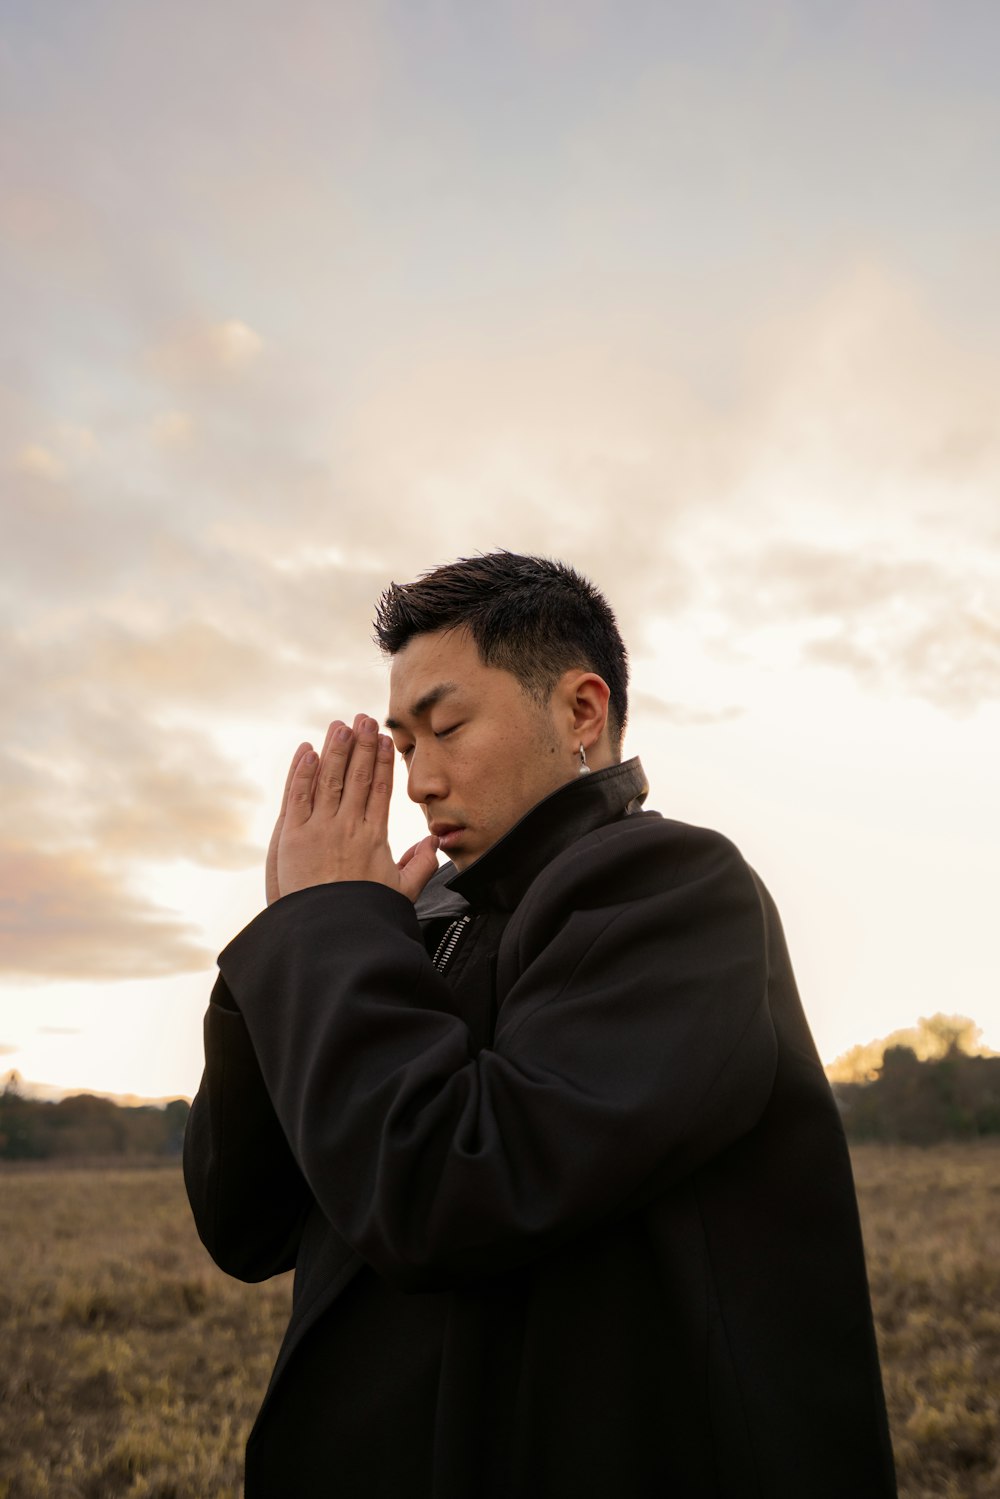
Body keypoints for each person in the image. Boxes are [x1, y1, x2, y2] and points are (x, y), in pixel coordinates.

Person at [184, 551, 898, 1498]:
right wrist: (295, 943)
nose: (420, 782)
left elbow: (452, 1184)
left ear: (581, 713)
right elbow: (247, 1222)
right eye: (403, 746)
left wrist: (330, 942)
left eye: (447, 727)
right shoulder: (420, 925)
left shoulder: (677, 894)